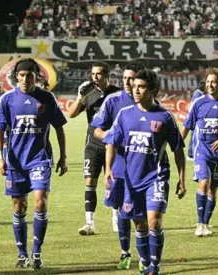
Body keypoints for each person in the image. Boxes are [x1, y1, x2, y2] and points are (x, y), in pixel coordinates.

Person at [103, 70, 186, 275]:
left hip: (156, 178)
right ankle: (145, 261)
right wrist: (108, 170)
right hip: (132, 179)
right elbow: (111, 142)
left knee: (154, 221)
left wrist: (182, 179)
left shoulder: (165, 117)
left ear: (153, 90)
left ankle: (154, 267)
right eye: (134, 86)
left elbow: (177, 149)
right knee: (139, 225)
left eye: (141, 86)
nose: (135, 89)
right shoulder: (125, 114)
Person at [0, 58, 68, 270]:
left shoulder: (46, 98)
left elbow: (59, 127)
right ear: (16, 76)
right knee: (19, 207)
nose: (25, 79)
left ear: (37, 76)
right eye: (22, 75)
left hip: (40, 159)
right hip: (15, 162)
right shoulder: (7, 100)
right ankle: (22, 254)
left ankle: (37, 252)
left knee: (40, 202)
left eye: (30, 75)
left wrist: (63, 156)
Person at [90, 62, 144, 269]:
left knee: (140, 213)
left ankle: (144, 256)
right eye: (125, 79)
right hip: (119, 164)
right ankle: (125, 253)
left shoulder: (150, 102)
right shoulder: (113, 101)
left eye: (132, 79)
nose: (129, 83)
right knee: (122, 210)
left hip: (141, 166)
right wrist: (110, 136)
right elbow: (97, 129)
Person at [181, 68, 218, 236]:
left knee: (213, 189)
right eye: (208, 82)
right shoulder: (198, 103)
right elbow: (187, 125)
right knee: (203, 182)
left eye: (213, 82)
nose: (210, 85)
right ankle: (199, 223)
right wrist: (177, 144)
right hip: (202, 151)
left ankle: (205, 222)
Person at [68, 62, 121, 235]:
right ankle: (89, 223)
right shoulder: (88, 93)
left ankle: (116, 219)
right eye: (93, 74)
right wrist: (79, 97)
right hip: (92, 144)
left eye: (98, 74)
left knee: (111, 182)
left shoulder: (117, 94)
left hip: (113, 144)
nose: (95, 77)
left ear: (107, 75)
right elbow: (72, 114)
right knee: (90, 181)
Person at [186, 80, 206, 160]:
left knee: (194, 135)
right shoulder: (199, 94)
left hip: (194, 117)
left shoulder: (197, 93)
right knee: (194, 135)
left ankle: (191, 153)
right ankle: (191, 154)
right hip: (195, 117)